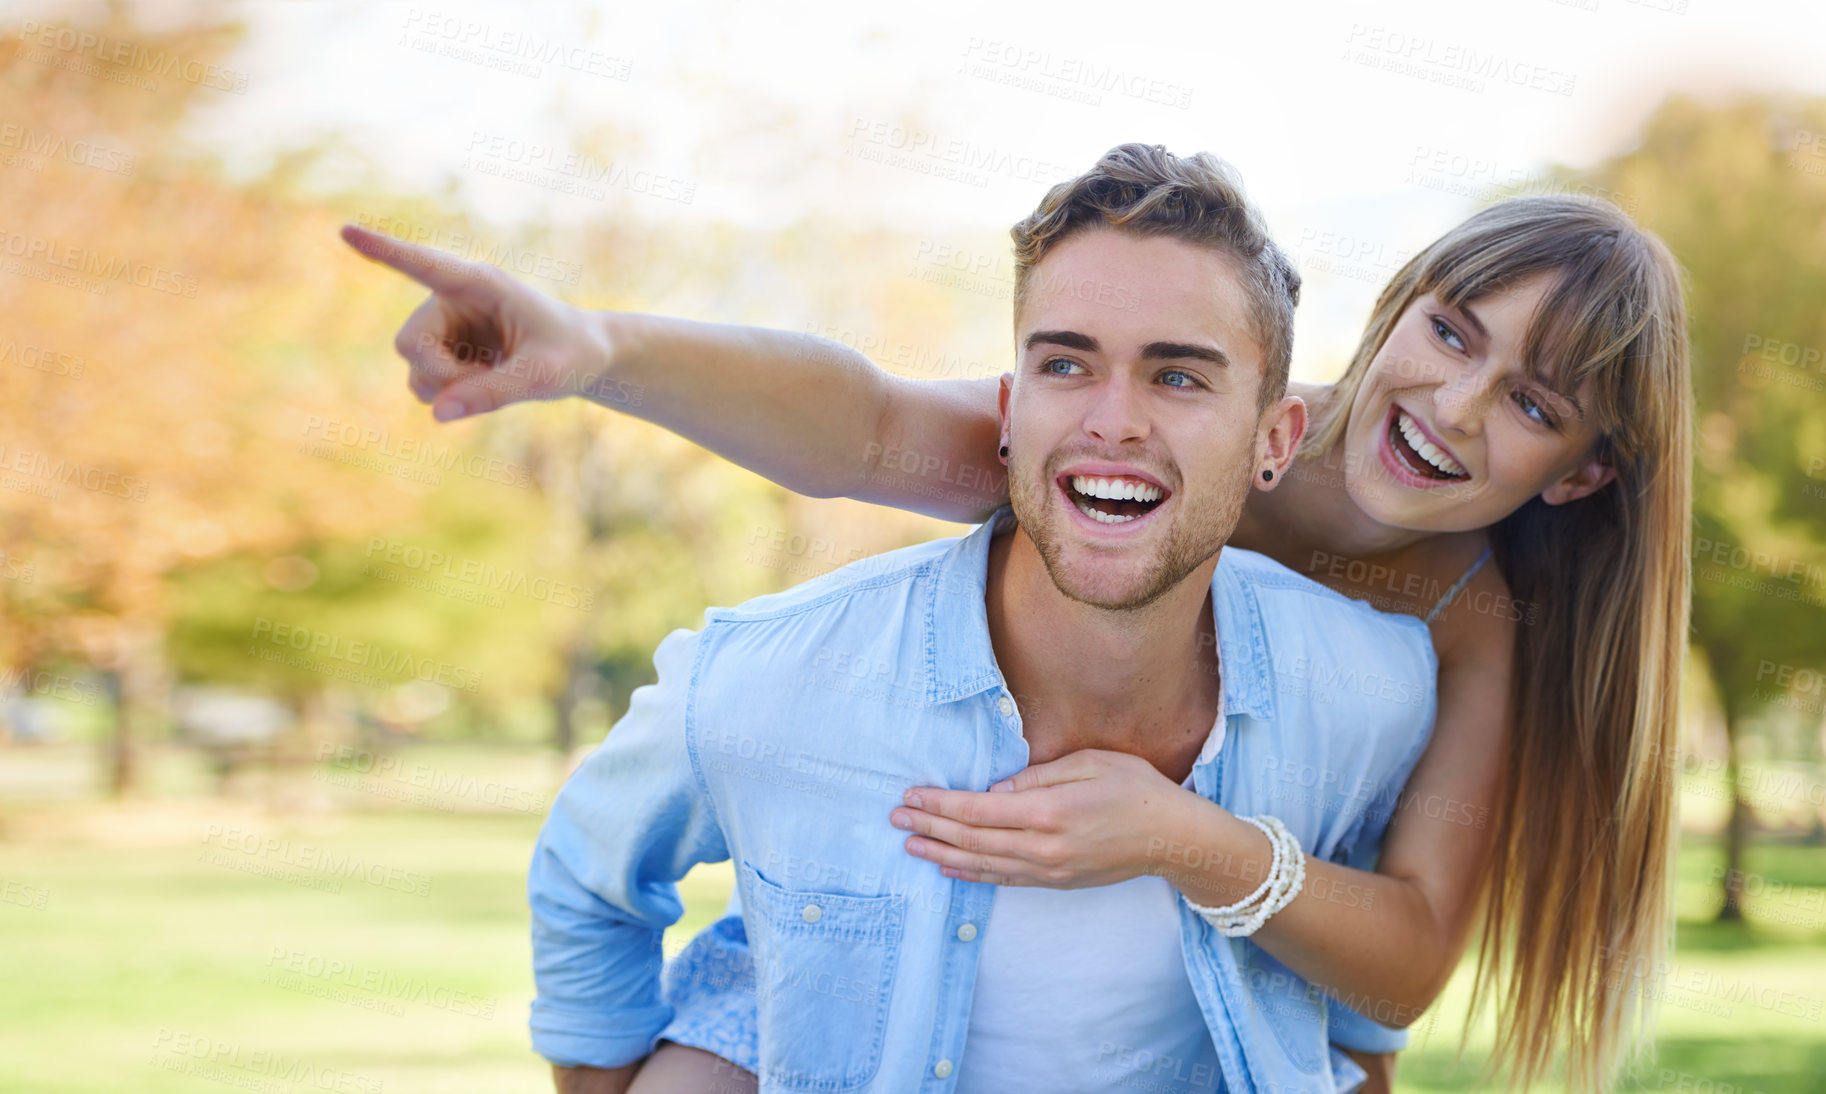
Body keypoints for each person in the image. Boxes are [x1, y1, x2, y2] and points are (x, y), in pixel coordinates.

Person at [341, 139, 1692, 1094]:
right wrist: (600, 351)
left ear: (1577, 470)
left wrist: (1181, 837)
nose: (1454, 405)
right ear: (1396, 308)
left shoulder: (1463, 626)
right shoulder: (1133, 438)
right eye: (1453, 333)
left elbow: (1396, 963)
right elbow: (861, 421)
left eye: (1530, 401)